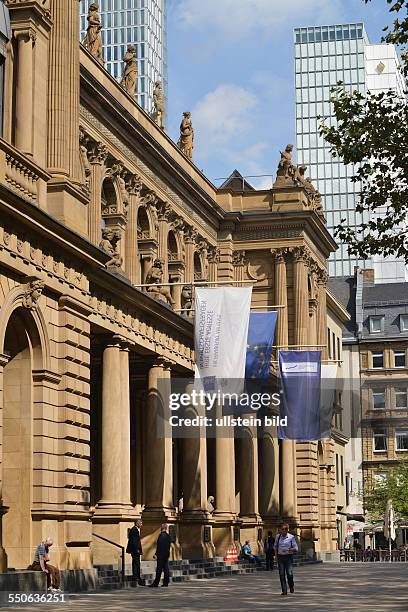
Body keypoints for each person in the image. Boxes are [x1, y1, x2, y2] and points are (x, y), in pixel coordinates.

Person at [274, 523, 298, 596]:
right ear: (280, 529)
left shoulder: (291, 537)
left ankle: (291, 585)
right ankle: (284, 590)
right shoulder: (278, 537)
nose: (284, 530)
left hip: (288, 557)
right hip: (280, 557)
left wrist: (290, 549)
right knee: (281, 574)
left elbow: (296, 548)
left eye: (286, 529)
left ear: (288, 530)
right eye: (282, 529)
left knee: (289, 573)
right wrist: (276, 557)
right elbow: (275, 547)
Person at [149, 523, 171, 588]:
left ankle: (156, 583)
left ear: (162, 528)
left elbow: (159, 546)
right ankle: (166, 582)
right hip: (166, 554)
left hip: (161, 555)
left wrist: (156, 554)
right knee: (166, 569)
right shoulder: (168, 536)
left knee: (159, 569)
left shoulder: (161, 535)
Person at [126, 519, 145, 585]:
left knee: (135, 562)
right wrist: (137, 549)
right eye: (141, 523)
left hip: (134, 549)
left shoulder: (135, 529)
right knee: (137, 562)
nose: (142, 525)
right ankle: (137, 576)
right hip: (135, 550)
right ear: (137, 523)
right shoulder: (134, 530)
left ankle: (135, 576)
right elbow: (135, 541)